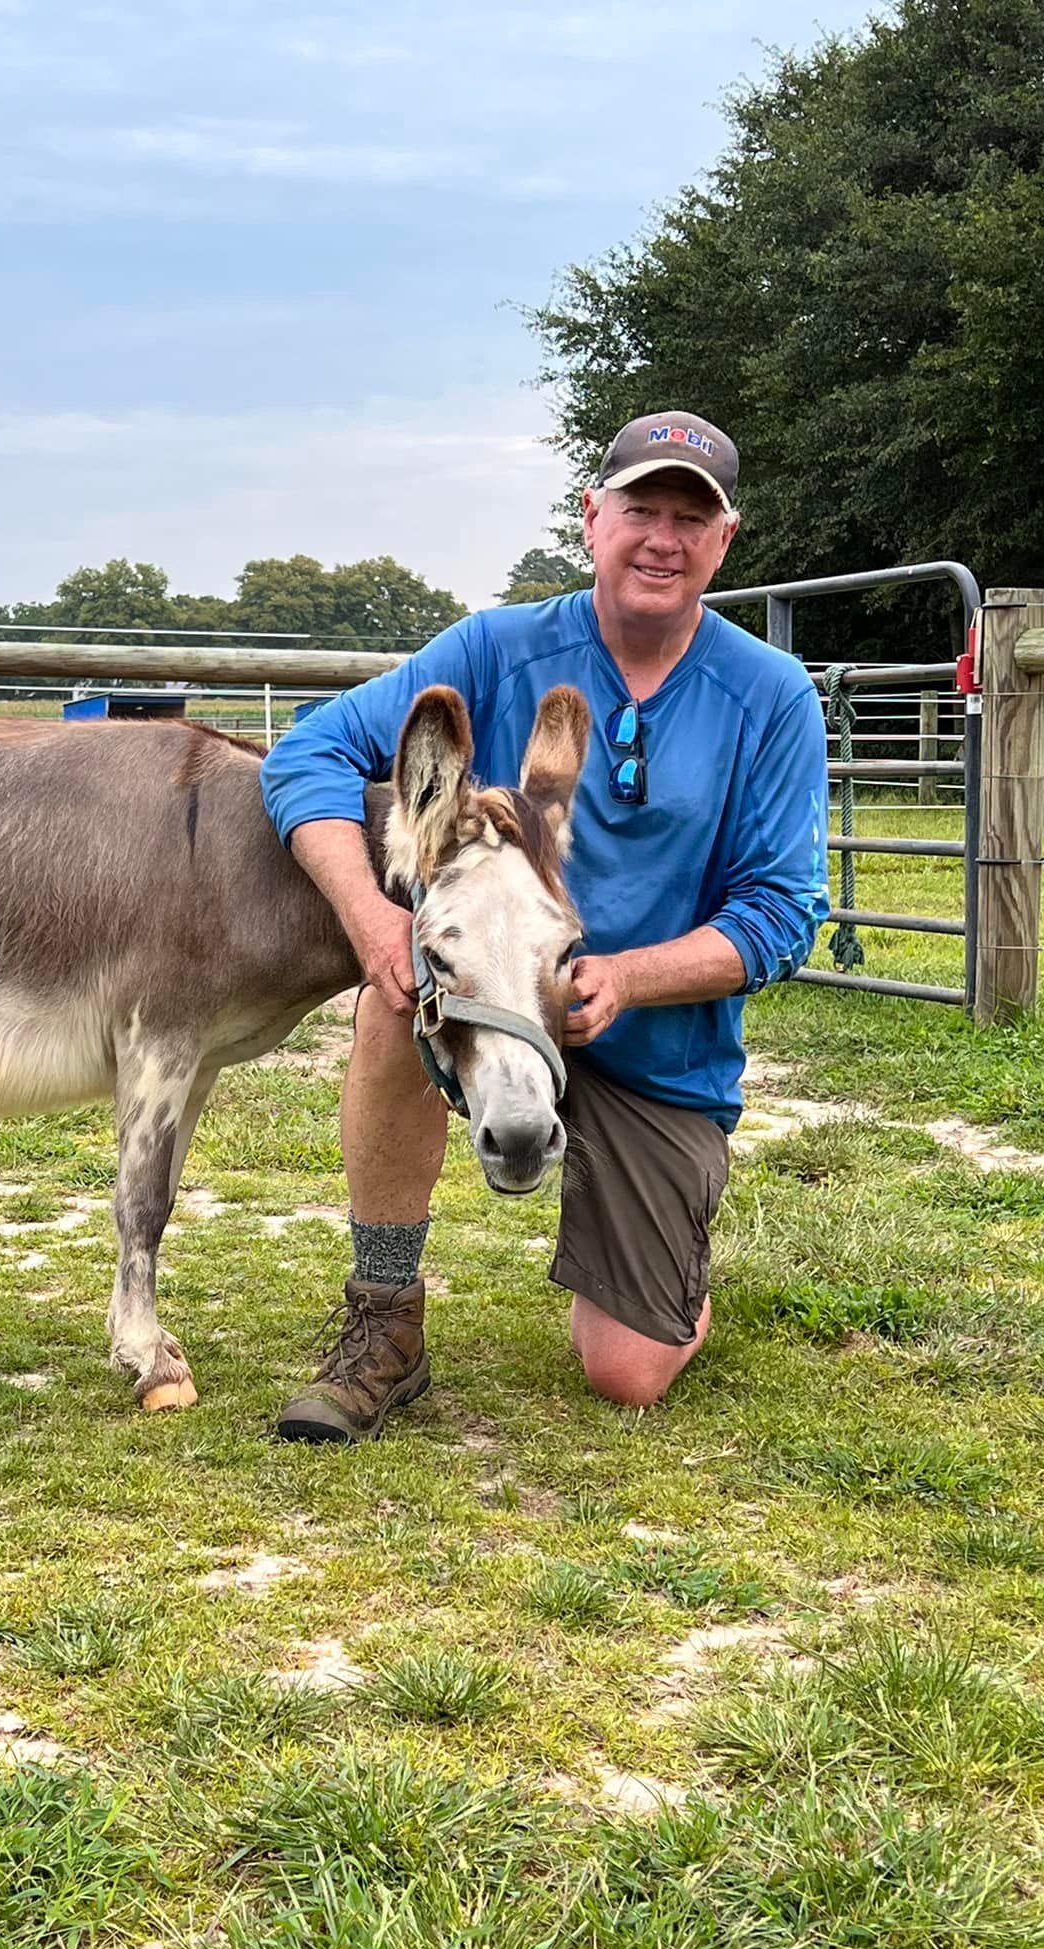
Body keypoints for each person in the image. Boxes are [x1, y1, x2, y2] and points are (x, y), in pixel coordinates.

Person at [260, 411, 830, 1444]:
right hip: (485, 1002)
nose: (662, 537)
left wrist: (623, 979)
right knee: (398, 1001)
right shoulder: (496, 645)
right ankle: (384, 1322)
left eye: (689, 519)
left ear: (724, 540)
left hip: (653, 1050)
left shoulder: (770, 696)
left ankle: (657, 1265)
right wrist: (375, 920)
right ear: (592, 519)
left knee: (626, 1372)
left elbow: (782, 912)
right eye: (641, 509)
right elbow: (307, 756)